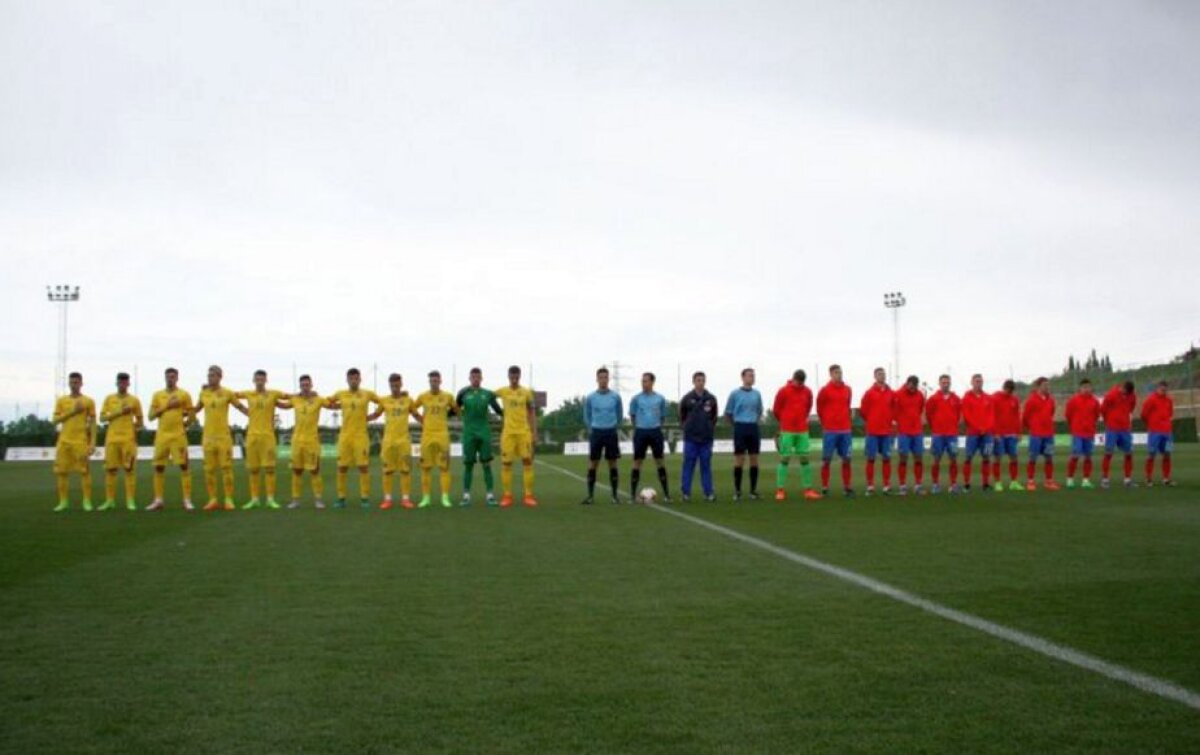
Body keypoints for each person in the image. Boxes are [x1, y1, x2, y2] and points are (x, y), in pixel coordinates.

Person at [326, 367, 384, 509]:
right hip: (345, 436)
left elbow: (383, 403)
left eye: (356, 378)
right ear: (347, 380)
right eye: (351, 378)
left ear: (360, 379)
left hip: (361, 436)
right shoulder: (340, 393)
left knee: (363, 467)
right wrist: (338, 407)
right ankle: (341, 499)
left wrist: (374, 415)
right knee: (342, 467)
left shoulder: (367, 394)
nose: (353, 381)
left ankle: (364, 498)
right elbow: (327, 402)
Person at [194, 365, 248, 511]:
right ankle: (212, 499)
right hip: (208, 437)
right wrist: (182, 413)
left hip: (223, 437)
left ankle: (228, 499)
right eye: (208, 375)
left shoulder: (227, 393)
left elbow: (240, 407)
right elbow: (196, 409)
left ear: (219, 377)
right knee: (209, 470)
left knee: (226, 468)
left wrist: (254, 416)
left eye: (213, 375)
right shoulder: (203, 393)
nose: (210, 378)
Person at [236, 370, 287, 509]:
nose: (259, 381)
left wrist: (306, 394)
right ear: (253, 380)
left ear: (266, 380)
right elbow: (230, 396)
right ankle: (254, 499)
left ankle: (270, 499)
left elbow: (290, 397)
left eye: (262, 379)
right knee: (253, 469)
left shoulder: (273, 394)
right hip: (252, 437)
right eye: (257, 379)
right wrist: (244, 410)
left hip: (268, 437)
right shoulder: (248, 394)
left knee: (270, 469)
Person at [147, 368, 195, 511]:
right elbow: (150, 416)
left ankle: (187, 500)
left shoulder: (184, 395)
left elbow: (192, 417)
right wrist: (167, 406)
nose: (170, 379)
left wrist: (184, 422)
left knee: (184, 466)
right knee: (159, 466)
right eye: (168, 376)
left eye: (173, 376)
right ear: (165, 378)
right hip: (162, 436)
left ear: (177, 378)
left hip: (178, 436)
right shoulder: (158, 395)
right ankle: (158, 500)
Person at [456, 367, 504, 506]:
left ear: (481, 378)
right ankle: (466, 495)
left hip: (484, 432)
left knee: (487, 464)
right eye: (473, 377)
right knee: (468, 465)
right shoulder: (463, 393)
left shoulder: (488, 394)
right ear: (469, 378)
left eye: (478, 377)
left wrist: (510, 415)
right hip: (469, 433)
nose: (476, 379)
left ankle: (490, 495)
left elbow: (498, 410)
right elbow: (454, 409)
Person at [371, 373, 418, 509]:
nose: (395, 388)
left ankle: (405, 499)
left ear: (401, 384)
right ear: (389, 385)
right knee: (387, 471)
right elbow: (376, 414)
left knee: (405, 470)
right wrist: (363, 419)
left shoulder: (408, 400)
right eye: (392, 385)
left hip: (404, 441)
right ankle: (387, 499)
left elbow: (415, 415)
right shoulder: (384, 400)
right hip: (388, 441)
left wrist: (427, 423)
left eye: (397, 385)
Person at [51, 371, 97, 512]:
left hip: (80, 441)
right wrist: (72, 411)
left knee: (84, 472)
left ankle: (87, 501)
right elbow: (54, 421)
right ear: (69, 383)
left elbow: (93, 423)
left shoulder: (88, 401)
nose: (74, 385)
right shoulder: (62, 401)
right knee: (62, 472)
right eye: (71, 382)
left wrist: (93, 443)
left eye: (76, 382)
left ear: (81, 383)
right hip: (64, 441)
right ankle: (63, 502)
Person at [494, 366, 539, 507]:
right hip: (508, 434)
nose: (514, 378)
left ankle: (528, 495)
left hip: (524, 433)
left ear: (519, 376)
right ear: (508, 376)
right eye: (512, 375)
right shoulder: (502, 391)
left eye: (516, 375)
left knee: (527, 462)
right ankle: (507, 496)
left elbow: (532, 413)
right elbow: (488, 397)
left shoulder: (526, 393)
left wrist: (534, 432)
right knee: (506, 464)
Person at [281, 374, 327, 508]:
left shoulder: (318, 400)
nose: (305, 387)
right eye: (303, 385)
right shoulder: (295, 399)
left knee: (315, 470)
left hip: (312, 441)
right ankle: (295, 500)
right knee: (297, 471)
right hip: (297, 441)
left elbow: (332, 405)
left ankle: (318, 500)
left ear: (311, 385)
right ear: (300, 386)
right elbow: (282, 404)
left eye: (307, 385)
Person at [98, 372, 143, 511]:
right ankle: (110, 500)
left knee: (129, 470)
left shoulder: (134, 400)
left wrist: (133, 429)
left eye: (125, 382)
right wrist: (119, 412)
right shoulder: (109, 399)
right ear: (116, 383)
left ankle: (130, 501)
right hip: (111, 439)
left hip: (128, 440)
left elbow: (140, 421)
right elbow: (102, 419)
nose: (122, 384)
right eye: (120, 382)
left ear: (128, 384)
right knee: (110, 470)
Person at [772, 369, 819, 501]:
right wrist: (784, 422)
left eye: (802, 383)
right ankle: (780, 490)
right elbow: (776, 409)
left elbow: (808, 407)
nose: (800, 385)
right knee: (785, 459)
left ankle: (808, 490)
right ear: (793, 379)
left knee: (804, 459)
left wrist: (801, 419)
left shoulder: (808, 391)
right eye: (798, 382)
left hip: (802, 430)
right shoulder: (783, 391)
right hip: (787, 430)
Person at [414, 370, 458, 508]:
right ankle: (426, 498)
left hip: (442, 436)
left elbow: (457, 410)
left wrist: (449, 416)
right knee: (425, 468)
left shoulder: (448, 396)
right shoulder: (423, 396)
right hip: (427, 436)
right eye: (431, 380)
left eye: (436, 380)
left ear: (440, 381)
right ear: (429, 382)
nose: (434, 383)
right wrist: (421, 420)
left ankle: (445, 497)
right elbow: (411, 409)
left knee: (444, 467)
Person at [583, 367, 624, 504]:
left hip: (611, 432)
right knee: (593, 463)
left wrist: (613, 425)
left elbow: (619, 414)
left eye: (605, 377)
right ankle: (590, 496)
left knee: (613, 463)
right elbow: (587, 415)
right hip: (596, 432)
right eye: (601, 377)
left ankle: (614, 496)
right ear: (597, 379)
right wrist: (591, 428)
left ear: (608, 379)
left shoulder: (615, 397)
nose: (603, 380)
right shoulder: (591, 398)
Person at [629, 372, 671, 502]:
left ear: (652, 382)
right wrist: (640, 426)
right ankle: (632, 495)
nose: (644, 384)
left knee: (660, 461)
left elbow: (663, 416)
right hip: (641, 432)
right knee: (637, 462)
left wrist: (655, 426)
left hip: (655, 432)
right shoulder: (636, 399)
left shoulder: (660, 399)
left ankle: (666, 495)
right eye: (642, 381)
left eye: (646, 381)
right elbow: (632, 416)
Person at [725, 367, 764, 500]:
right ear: (742, 378)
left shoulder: (757, 394)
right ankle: (737, 491)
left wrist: (755, 422)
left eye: (753, 376)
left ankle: (753, 491)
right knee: (739, 459)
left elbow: (759, 411)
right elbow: (728, 413)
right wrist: (736, 426)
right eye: (749, 376)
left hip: (753, 427)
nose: (752, 378)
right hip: (740, 427)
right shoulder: (735, 394)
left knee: (754, 459)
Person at [679, 371, 719, 502]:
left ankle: (708, 492)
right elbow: (682, 415)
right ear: (694, 382)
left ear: (705, 381)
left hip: (706, 439)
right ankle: (686, 492)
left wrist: (708, 427)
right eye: (698, 380)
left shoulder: (711, 399)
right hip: (691, 438)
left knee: (706, 465)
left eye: (702, 380)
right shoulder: (687, 398)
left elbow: (714, 417)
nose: (700, 383)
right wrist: (687, 427)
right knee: (688, 465)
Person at [816, 365, 854, 498]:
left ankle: (847, 487)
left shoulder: (848, 389)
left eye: (840, 372)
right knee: (826, 460)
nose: (839, 375)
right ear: (831, 374)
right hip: (830, 430)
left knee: (847, 459)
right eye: (836, 372)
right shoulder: (824, 391)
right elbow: (819, 409)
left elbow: (848, 406)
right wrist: (826, 423)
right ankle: (825, 487)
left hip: (845, 430)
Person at [858, 367, 895, 496]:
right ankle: (870, 486)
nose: (882, 376)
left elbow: (895, 409)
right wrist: (872, 420)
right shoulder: (869, 393)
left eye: (883, 374)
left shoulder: (891, 393)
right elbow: (863, 411)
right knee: (871, 459)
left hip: (886, 432)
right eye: (879, 374)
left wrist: (889, 420)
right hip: (873, 431)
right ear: (875, 376)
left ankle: (886, 485)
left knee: (887, 458)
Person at [925, 374, 962, 494]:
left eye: (947, 382)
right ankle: (935, 484)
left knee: (953, 459)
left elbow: (958, 415)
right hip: (938, 434)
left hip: (952, 434)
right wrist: (935, 427)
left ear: (950, 383)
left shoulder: (956, 398)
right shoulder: (933, 399)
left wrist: (953, 426)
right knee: (936, 459)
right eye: (943, 382)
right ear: (939, 383)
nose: (945, 384)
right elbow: (929, 416)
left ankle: (953, 484)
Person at [1021, 377, 1060, 491]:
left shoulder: (1051, 400)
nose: (1047, 387)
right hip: (1036, 435)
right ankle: (1030, 481)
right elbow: (1025, 418)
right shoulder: (1031, 400)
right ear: (1038, 387)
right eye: (1044, 385)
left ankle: (1049, 481)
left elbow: (1051, 413)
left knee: (1049, 458)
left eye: (1048, 385)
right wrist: (1033, 427)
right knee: (1033, 458)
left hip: (1048, 434)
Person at [1099, 380, 1137, 489]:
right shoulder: (1111, 394)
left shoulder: (1132, 396)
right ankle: (1105, 479)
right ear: (1122, 387)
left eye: (1128, 394)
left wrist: (1124, 418)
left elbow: (1131, 408)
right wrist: (1109, 421)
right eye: (1125, 392)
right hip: (1112, 429)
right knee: (1108, 453)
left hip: (1125, 429)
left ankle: (1127, 480)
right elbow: (1103, 409)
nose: (1126, 395)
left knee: (1129, 453)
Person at [1065, 379, 1101, 489]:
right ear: (1080, 388)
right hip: (1077, 432)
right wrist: (1075, 426)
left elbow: (1096, 415)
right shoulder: (1073, 400)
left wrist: (1090, 426)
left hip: (1089, 433)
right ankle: (1070, 479)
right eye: (1084, 387)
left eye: (1088, 387)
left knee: (1088, 457)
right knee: (1075, 454)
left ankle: (1086, 480)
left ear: (1091, 388)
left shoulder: (1095, 401)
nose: (1086, 389)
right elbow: (1068, 415)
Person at [893, 375, 926, 495]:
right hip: (904, 432)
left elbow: (920, 408)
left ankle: (918, 485)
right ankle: (902, 486)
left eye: (915, 386)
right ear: (907, 383)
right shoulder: (898, 394)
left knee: (918, 458)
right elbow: (893, 410)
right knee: (903, 458)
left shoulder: (919, 395)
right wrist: (899, 422)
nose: (913, 388)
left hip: (917, 431)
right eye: (911, 385)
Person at [961, 374, 994, 492]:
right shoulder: (966, 397)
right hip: (973, 433)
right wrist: (978, 427)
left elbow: (991, 415)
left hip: (987, 434)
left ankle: (985, 484)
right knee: (968, 458)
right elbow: (967, 415)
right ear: (972, 382)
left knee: (986, 458)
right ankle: (966, 484)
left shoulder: (988, 398)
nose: (978, 383)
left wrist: (986, 428)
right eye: (976, 381)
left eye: (980, 381)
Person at [989, 380, 1024, 492]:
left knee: (1014, 457)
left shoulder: (1014, 400)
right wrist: (995, 432)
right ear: (1003, 387)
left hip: (1012, 434)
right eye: (1007, 390)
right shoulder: (995, 398)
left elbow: (1017, 417)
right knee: (997, 458)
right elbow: (991, 415)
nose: (1009, 393)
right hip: (999, 434)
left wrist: (1019, 432)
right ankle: (998, 483)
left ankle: (1013, 482)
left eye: (1011, 391)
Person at [1140, 380, 1176, 486]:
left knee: (1167, 454)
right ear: (1157, 388)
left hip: (1167, 433)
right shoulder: (1151, 400)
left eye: (1165, 389)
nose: (1163, 391)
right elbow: (1143, 415)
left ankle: (1166, 479)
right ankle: (1148, 478)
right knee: (1151, 454)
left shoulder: (1169, 401)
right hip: (1155, 432)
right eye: (1161, 389)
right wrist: (1152, 424)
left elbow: (1170, 413)